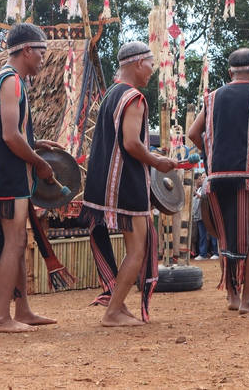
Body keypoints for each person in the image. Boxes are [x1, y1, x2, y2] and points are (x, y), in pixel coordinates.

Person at [0, 23, 72, 334]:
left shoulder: (7, 80)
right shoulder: (11, 82)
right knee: (13, 241)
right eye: (41, 51)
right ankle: (1, 317)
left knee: (15, 241)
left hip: (5, 171)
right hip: (4, 174)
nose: (44, 58)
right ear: (27, 50)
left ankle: (23, 310)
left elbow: (13, 135)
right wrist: (41, 163)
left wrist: (36, 143)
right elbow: (9, 136)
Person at [79, 41, 177, 327]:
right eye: (150, 65)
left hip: (106, 181)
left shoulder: (111, 94)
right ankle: (112, 313)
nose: (151, 71)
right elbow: (132, 143)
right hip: (125, 182)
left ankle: (118, 308)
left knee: (135, 248)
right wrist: (157, 162)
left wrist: (152, 155)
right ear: (137, 63)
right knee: (139, 249)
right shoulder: (133, 97)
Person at [188, 48, 249, 313]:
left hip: (216, 177)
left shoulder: (212, 97)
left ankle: (232, 297)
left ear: (231, 72)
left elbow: (194, 133)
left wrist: (211, 155)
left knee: (225, 237)